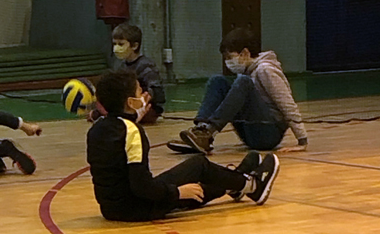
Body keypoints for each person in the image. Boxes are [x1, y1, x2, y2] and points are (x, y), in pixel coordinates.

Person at [86, 70, 280, 221]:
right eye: (139, 92)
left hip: (112, 208)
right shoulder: (131, 132)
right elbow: (142, 187)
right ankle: (253, 186)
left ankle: (235, 183)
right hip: (137, 207)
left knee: (190, 183)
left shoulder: (97, 129)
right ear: (130, 102)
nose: (145, 95)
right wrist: (177, 193)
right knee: (198, 166)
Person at [168, 28, 308, 154]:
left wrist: (302, 140)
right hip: (250, 131)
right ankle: (201, 132)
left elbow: (287, 103)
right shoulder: (247, 71)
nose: (227, 62)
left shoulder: (266, 69)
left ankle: (208, 132)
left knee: (243, 82)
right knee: (218, 81)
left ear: (245, 53)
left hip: (268, 134)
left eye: (230, 57)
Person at [90, 23, 165, 124]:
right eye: (114, 44)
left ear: (134, 46)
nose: (116, 48)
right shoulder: (121, 65)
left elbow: (158, 93)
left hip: (147, 107)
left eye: (121, 44)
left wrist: (141, 99)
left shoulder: (146, 66)